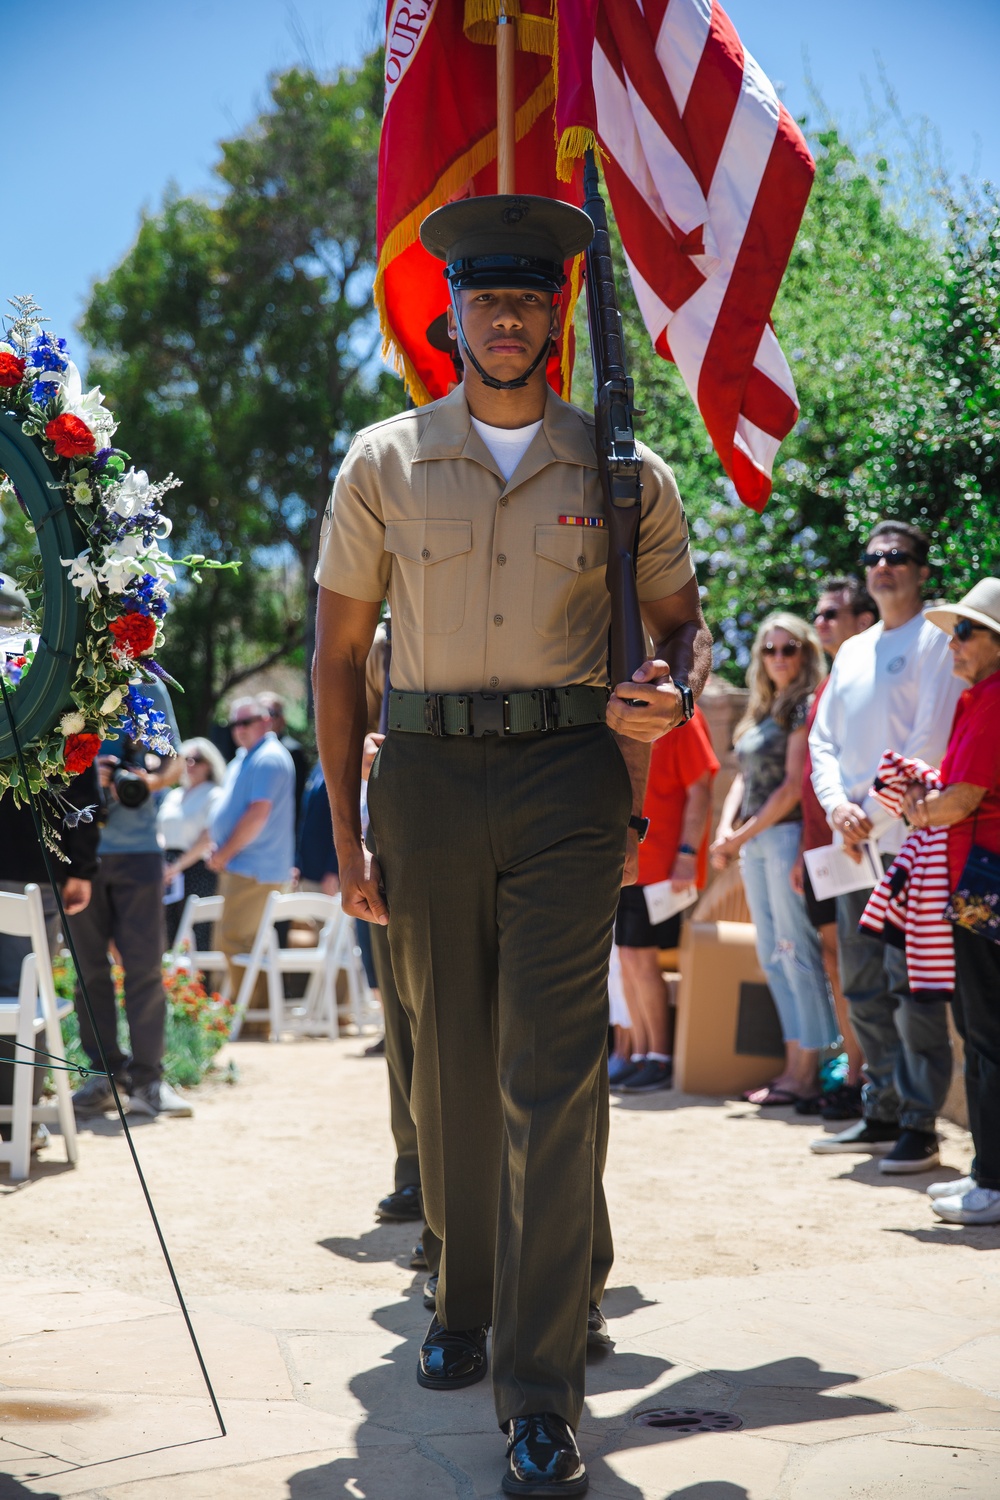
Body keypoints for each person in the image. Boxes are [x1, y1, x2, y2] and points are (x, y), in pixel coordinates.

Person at [312, 193, 710, 1497]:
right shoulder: (383, 460)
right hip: (423, 776)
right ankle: (462, 1299)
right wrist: (349, 835)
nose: (505, 317)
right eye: (485, 298)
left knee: (552, 1074)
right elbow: (339, 657)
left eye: (529, 300)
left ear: (553, 318)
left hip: (565, 773)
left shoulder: (620, 469)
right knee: (451, 1068)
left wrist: (671, 686)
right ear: (453, 315)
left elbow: (676, 625)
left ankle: (541, 1392)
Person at [809, 521, 962, 1171]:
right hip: (854, 847)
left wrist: (870, 812)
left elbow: (930, 740)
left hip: (910, 844)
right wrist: (838, 808)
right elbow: (822, 742)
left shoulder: (937, 639)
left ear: (923, 570)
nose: (884, 566)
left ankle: (922, 1124)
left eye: (898, 556)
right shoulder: (852, 651)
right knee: (864, 983)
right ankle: (882, 1108)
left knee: (911, 985)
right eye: (874, 557)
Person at [901, 580, 1000, 1224]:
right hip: (980, 877)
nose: (953, 642)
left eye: (965, 631)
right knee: (983, 1029)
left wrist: (917, 809)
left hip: (987, 878)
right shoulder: (980, 697)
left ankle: (991, 1180)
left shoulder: (993, 698)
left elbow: (963, 799)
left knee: (987, 1032)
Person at [711, 614, 839, 1105]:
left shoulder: (805, 705)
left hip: (785, 839)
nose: (779, 658)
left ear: (806, 653)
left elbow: (790, 788)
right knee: (773, 956)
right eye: (770, 649)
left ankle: (808, 1072)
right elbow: (742, 778)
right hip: (755, 842)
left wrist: (738, 836)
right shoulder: (762, 710)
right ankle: (794, 1068)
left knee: (796, 953)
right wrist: (727, 832)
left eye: (789, 648)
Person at [67, 679, 192, 1119]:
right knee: (88, 972)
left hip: (139, 852)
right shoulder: (67, 675)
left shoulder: (149, 686)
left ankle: (149, 1082)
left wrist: (147, 781)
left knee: (144, 969)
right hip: (79, 852)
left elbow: (176, 765)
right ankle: (103, 1078)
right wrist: (85, 775)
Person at [791, 577, 876, 1119]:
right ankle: (850, 1067)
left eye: (831, 615)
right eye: (817, 615)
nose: (820, 623)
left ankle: (863, 1076)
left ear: (862, 622)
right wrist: (805, 852)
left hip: (857, 846)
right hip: (821, 852)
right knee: (832, 960)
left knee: (855, 964)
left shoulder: (864, 678)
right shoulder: (829, 681)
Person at [612, 705, 718, 1093]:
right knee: (627, 960)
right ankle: (640, 1054)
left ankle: (659, 1057)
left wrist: (688, 854)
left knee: (642, 959)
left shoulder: (682, 714)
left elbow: (700, 789)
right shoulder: (624, 713)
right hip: (627, 861)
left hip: (661, 868)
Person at [0, 764, 99, 1150]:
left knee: (17, 996)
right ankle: (17, 1124)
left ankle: (18, 1121)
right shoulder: (48, 704)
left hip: (30, 867)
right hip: (32, 866)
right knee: (25, 996)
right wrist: (83, 866)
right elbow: (81, 787)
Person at [208, 695, 295, 1017]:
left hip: (253, 867)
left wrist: (224, 853)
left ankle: (254, 1021)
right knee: (238, 944)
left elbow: (258, 814)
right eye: (234, 723)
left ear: (266, 721)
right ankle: (252, 1019)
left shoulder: (269, 757)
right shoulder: (247, 757)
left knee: (237, 944)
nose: (239, 729)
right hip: (243, 865)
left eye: (246, 722)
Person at [158, 737, 227, 947]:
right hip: (166, 870)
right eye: (186, 759)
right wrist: (164, 864)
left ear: (209, 764)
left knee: (196, 936)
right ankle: (168, 980)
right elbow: (159, 830)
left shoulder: (215, 794)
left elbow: (208, 837)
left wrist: (177, 866)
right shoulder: (174, 795)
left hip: (196, 869)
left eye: (197, 760)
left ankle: (198, 981)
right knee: (166, 932)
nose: (190, 765)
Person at [258, 692, 310, 819]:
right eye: (259, 714)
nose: (265, 719)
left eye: (271, 713)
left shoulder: (292, 751)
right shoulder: (246, 751)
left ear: (282, 719)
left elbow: (297, 796)